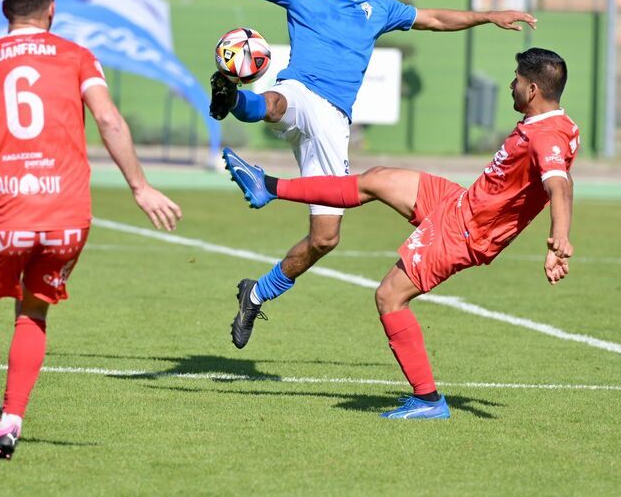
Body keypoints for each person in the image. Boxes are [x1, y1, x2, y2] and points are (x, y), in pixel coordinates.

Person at [164, 0, 539, 350]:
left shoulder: (378, 8)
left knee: (325, 238)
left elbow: (435, 19)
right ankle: (232, 100)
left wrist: (487, 15)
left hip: (335, 121)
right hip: (302, 92)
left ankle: (256, 292)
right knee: (279, 104)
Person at [222, 48, 577, 418]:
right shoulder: (563, 127)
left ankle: (427, 400)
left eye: (517, 80)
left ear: (533, 89)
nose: (512, 85)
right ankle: (268, 187)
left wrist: (560, 240)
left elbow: (559, 186)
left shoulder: (547, 137)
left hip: (468, 230)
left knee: (389, 296)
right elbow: (561, 179)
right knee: (377, 179)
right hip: (463, 202)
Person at [0, 0, 182, 460]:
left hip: (7, 210)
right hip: (69, 215)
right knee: (32, 311)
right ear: (52, 8)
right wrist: (140, 187)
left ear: (4, 8)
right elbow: (108, 119)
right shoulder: (78, 57)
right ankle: (11, 421)